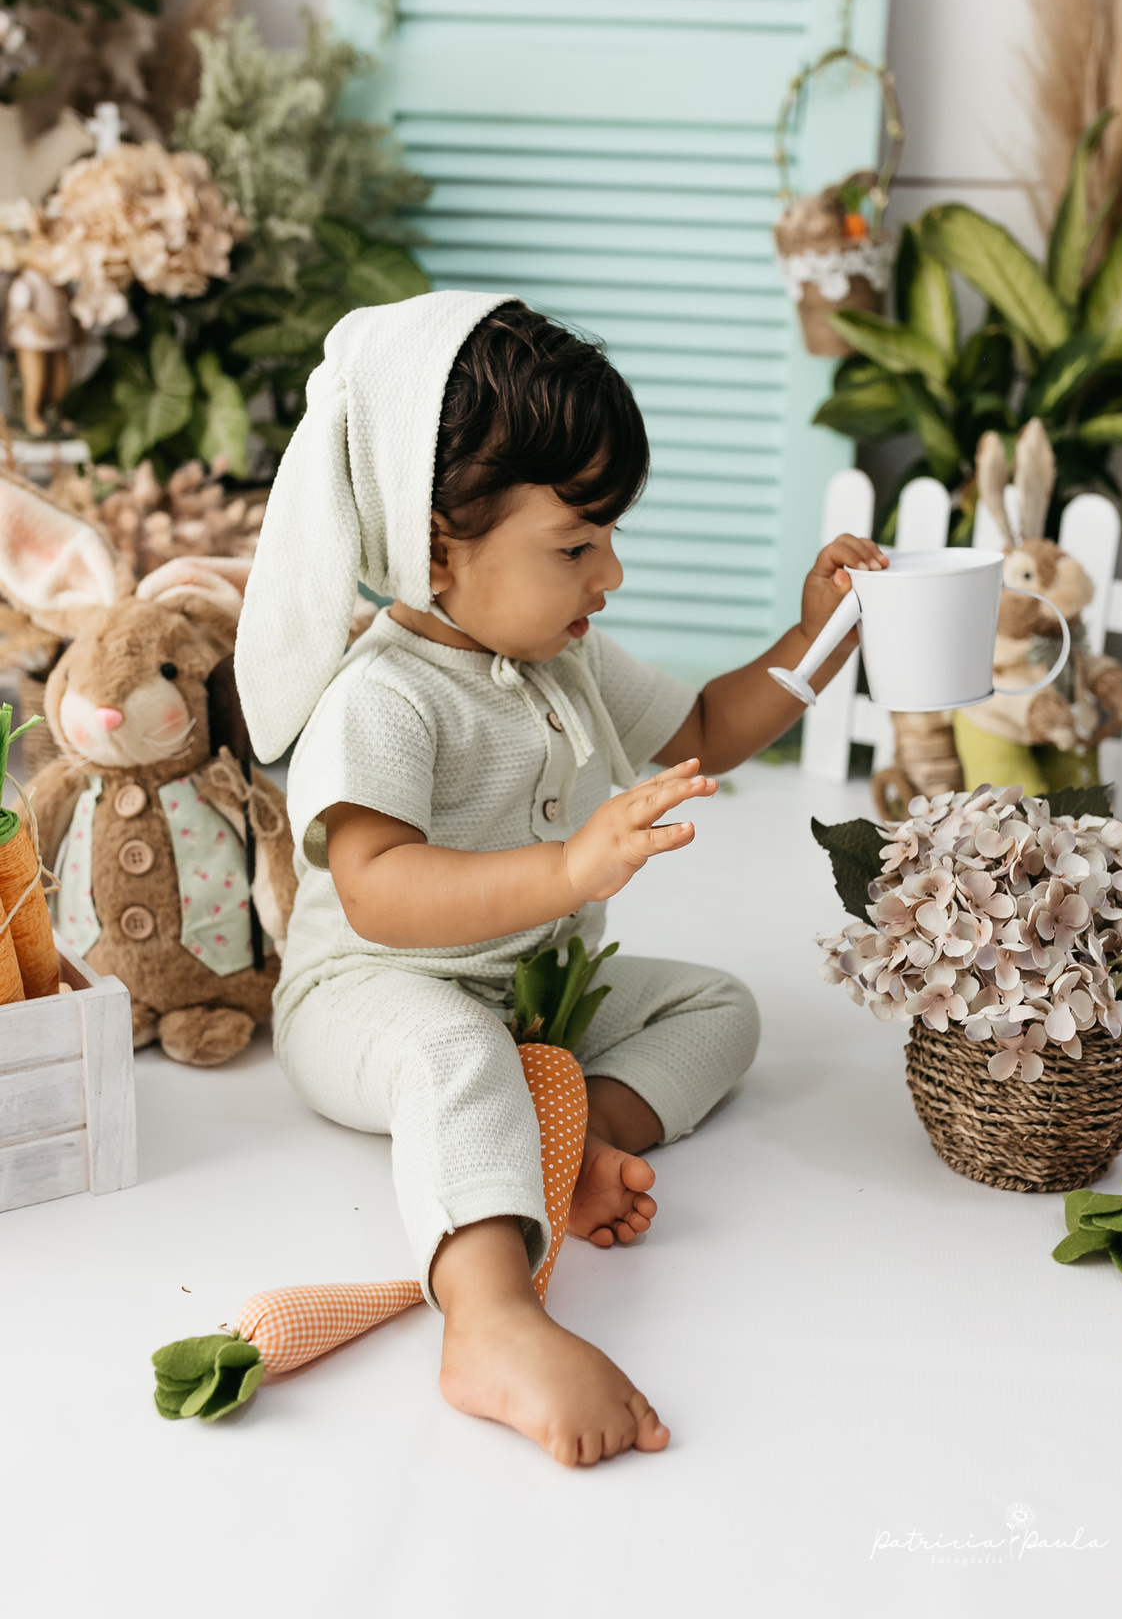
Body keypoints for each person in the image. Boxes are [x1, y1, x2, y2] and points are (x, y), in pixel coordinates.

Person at [235, 290, 885, 1468]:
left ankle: (563, 1141)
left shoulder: (561, 656)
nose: (611, 573)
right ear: (436, 545)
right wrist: (569, 868)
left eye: (610, 538)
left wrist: (815, 643)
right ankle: (488, 1318)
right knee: (454, 1053)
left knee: (718, 1008)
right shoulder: (382, 696)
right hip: (373, 993)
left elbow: (700, 728)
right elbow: (377, 890)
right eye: (577, 547)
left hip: (535, 988)